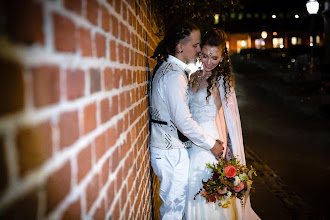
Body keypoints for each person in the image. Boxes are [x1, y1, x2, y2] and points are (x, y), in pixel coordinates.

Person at [149, 22, 225, 220]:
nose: (199, 50)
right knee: (173, 210)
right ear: (180, 47)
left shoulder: (172, 69)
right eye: (196, 45)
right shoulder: (175, 76)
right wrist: (211, 144)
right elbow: (183, 121)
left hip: (173, 148)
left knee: (177, 206)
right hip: (170, 151)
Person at [186, 28, 260, 220]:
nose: (208, 62)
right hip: (190, 142)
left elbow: (232, 121)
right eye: (205, 56)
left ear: (222, 57)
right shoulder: (192, 77)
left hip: (210, 143)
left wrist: (230, 153)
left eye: (214, 57)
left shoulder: (222, 81)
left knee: (207, 193)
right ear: (199, 51)